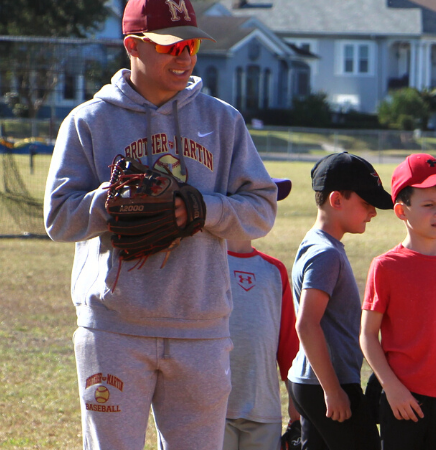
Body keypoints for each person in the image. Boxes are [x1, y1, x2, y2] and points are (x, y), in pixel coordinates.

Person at [43, 0, 277, 446]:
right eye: (171, 46)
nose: (184, 56)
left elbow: (261, 208)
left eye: (191, 46)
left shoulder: (222, 121)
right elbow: (59, 218)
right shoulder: (89, 121)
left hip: (201, 329)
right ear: (133, 45)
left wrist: (203, 209)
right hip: (114, 329)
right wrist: (114, 200)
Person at [359, 154, 436, 449]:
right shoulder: (386, 266)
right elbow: (367, 335)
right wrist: (391, 387)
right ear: (401, 211)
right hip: (403, 401)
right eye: (429, 205)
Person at [289, 152, 390, 450]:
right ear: (336, 200)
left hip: (313, 381)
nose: (372, 212)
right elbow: (307, 325)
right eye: (366, 203)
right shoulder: (326, 253)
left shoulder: (317, 244)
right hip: (327, 382)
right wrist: (332, 390)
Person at [224, 178, 300, 450]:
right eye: (259, 200)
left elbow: (288, 344)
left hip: (263, 409)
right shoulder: (204, 263)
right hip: (212, 407)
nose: (266, 208)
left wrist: (295, 403)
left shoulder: (273, 270)